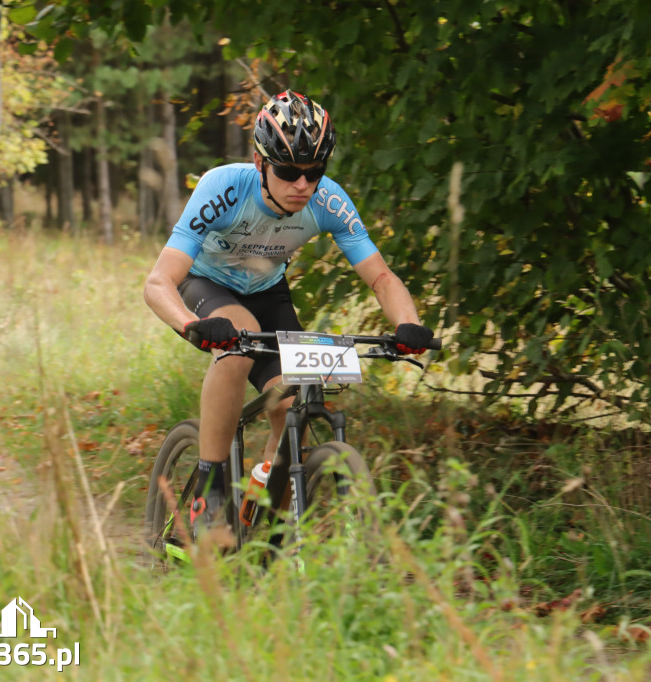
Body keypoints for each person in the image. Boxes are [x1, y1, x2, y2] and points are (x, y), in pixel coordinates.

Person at [143, 90, 434, 538]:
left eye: (314, 172)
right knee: (239, 342)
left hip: (267, 290)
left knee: (293, 393)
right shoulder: (223, 187)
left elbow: (382, 278)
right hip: (206, 284)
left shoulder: (329, 201)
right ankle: (210, 486)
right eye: (288, 171)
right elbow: (158, 282)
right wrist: (191, 325)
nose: (303, 184)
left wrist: (407, 325)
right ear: (261, 164)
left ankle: (267, 515)